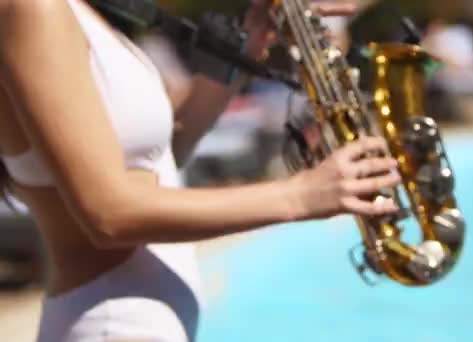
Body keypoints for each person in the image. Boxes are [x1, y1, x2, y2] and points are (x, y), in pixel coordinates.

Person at [0, 0, 401, 341]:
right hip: (113, 324)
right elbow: (107, 213)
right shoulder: (32, 9)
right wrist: (303, 193)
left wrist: (247, 43)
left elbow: (158, 159)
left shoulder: (78, 13)